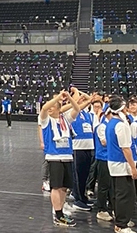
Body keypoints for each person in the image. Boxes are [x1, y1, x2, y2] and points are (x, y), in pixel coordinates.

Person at [39, 88, 84, 227]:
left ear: (59, 109)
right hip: (54, 157)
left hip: (67, 156)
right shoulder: (46, 120)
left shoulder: (65, 119)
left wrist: (69, 98)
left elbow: (77, 108)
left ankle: (60, 212)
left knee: (64, 187)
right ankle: (58, 214)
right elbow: (44, 108)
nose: (50, 108)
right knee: (56, 186)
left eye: (53, 107)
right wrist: (58, 97)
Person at [105, 98, 137, 233]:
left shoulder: (110, 123)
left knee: (118, 194)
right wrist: (133, 167)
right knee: (125, 195)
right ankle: (121, 224)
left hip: (114, 163)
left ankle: (120, 221)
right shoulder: (121, 125)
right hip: (122, 164)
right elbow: (125, 148)